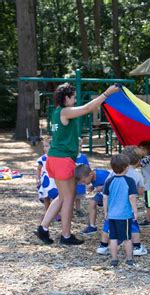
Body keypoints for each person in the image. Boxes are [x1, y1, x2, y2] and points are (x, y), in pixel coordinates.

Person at [34, 83, 119, 245]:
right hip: (63, 159)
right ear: (66, 98)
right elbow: (87, 109)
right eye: (73, 96)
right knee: (69, 198)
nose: (75, 99)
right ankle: (66, 236)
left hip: (55, 158)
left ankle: (43, 228)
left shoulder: (57, 112)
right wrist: (107, 93)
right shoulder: (65, 111)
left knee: (62, 196)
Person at [96, 145, 148, 256]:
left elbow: (106, 188)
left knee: (107, 226)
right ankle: (137, 247)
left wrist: (105, 209)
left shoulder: (112, 173)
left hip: (112, 207)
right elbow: (140, 191)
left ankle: (103, 246)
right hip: (127, 209)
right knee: (133, 227)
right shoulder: (137, 175)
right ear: (138, 161)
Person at [103, 154, 138, 267]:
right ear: (127, 167)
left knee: (113, 237)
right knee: (127, 238)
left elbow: (105, 197)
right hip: (125, 215)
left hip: (112, 215)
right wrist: (135, 211)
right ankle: (129, 259)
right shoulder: (129, 181)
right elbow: (132, 197)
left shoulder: (109, 181)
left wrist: (106, 211)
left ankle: (114, 259)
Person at [75, 165, 111, 235]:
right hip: (102, 194)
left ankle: (111, 225)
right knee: (92, 202)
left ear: (90, 174)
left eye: (84, 181)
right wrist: (92, 186)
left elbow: (114, 183)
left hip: (111, 196)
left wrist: (103, 187)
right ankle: (92, 226)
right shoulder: (92, 177)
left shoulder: (102, 175)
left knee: (109, 208)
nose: (83, 183)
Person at [36, 137, 58, 214]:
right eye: (44, 146)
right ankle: (48, 212)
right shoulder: (42, 158)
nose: (44, 148)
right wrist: (38, 179)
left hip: (55, 181)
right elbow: (38, 169)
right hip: (45, 180)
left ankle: (56, 212)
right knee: (46, 197)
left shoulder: (57, 158)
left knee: (56, 196)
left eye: (47, 146)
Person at [74, 137, 89, 216]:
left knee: (78, 196)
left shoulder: (83, 157)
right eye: (76, 145)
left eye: (80, 145)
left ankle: (78, 209)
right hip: (73, 180)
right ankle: (70, 209)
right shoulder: (71, 157)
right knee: (71, 195)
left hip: (81, 180)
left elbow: (87, 167)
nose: (78, 147)